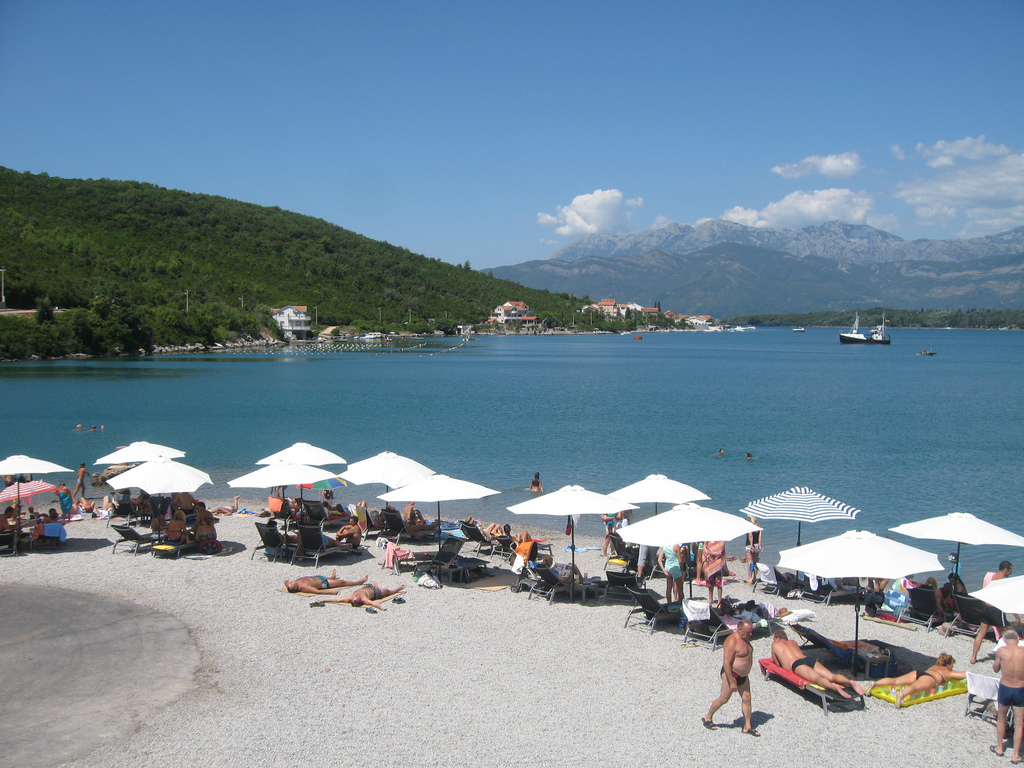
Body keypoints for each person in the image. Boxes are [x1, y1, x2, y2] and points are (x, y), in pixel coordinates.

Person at [771, 628, 866, 699]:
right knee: (832, 676)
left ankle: (834, 688)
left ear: (777, 638)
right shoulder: (793, 642)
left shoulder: (775, 644)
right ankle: (850, 682)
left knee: (817, 678)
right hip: (808, 659)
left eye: (774, 639)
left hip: (797, 664)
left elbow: (777, 664)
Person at [702, 619, 757, 736]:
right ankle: (708, 717)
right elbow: (726, 663)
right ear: (739, 630)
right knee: (724, 699)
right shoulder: (732, 641)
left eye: (751, 632)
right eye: (748, 632)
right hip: (731, 673)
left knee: (747, 698)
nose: (750, 634)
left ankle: (747, 726)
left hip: (743, 675)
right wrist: (731, 681)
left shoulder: (746, 639)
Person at [865, 652, 965, 708]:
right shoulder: (948, 672)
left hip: (918, 672)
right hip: (930, 678)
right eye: (952, 665)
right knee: (915, 687)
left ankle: (875, 684)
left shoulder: (935, 666)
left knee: (896, 681)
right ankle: (901, 695)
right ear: (948, 665)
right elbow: (964, 675)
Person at [973, 561, 1013, 664]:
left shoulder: (990, 576)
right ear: (1006, 570)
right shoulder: (1004, 582)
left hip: (987, 607)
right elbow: (1008, 599)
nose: (1011, 572)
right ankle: (1008, 657)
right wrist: (1016, 616)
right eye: (1010, 570)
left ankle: (973, 657)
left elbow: (983, 591)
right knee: (1005, 634)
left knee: (981, 633)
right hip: (996, 609)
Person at [994, 629, 1024, 760]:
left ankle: (1000, 748)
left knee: (1001, 718)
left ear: (1004, 640)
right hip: (1020, 688)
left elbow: (995, 669)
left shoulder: (1001, 651)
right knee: (1019, 723)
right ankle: (1015, 754)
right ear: (1017, 639)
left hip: (1005, 688)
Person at [320, 582, 405, 610]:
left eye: (354, 597)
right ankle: (396, 590)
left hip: (366, 587)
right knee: (387, 591)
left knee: (379, 588)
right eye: (356, 597)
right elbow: (374, 604)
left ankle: (377, 586)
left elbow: (337, 600)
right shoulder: (364, 599)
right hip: (375, 592)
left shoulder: (351, 597)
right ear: (359, 600)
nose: (355, 596)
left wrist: (324, 600)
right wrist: (381, 607)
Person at [284, 571, 368, 594]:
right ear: (296, 588)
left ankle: (332, 577)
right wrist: (331, 592)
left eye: (290, 583)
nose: (291, 582)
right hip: (323, 583)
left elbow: (288, 585)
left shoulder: (292, 584)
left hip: (317, 577)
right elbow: (317, 591)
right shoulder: (303, 587)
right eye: (291, 584)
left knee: (326, 578)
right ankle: (357, 583)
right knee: (341, 582)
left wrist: (286, 583)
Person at [702, 540, 726, 604]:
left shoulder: (720, 540)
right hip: (709, 562)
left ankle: (719, 601)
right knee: (710, 582)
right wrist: (713, 553)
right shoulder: (707, 541)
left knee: (718, 582)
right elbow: (705, 550)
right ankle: (710, 599)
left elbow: (720, 551)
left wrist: (713, 553)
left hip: (718, 562)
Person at [744, 517, 762, 585]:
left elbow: (750, 535)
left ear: (749, 518)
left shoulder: (749, 525)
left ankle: (750, 578)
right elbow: (760, 537)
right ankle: (754, 577)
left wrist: (751, 545)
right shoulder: (759, 525)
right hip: (757, 545)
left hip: (749, 545)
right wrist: (760, 546)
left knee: (750, 562)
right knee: (755, 562)